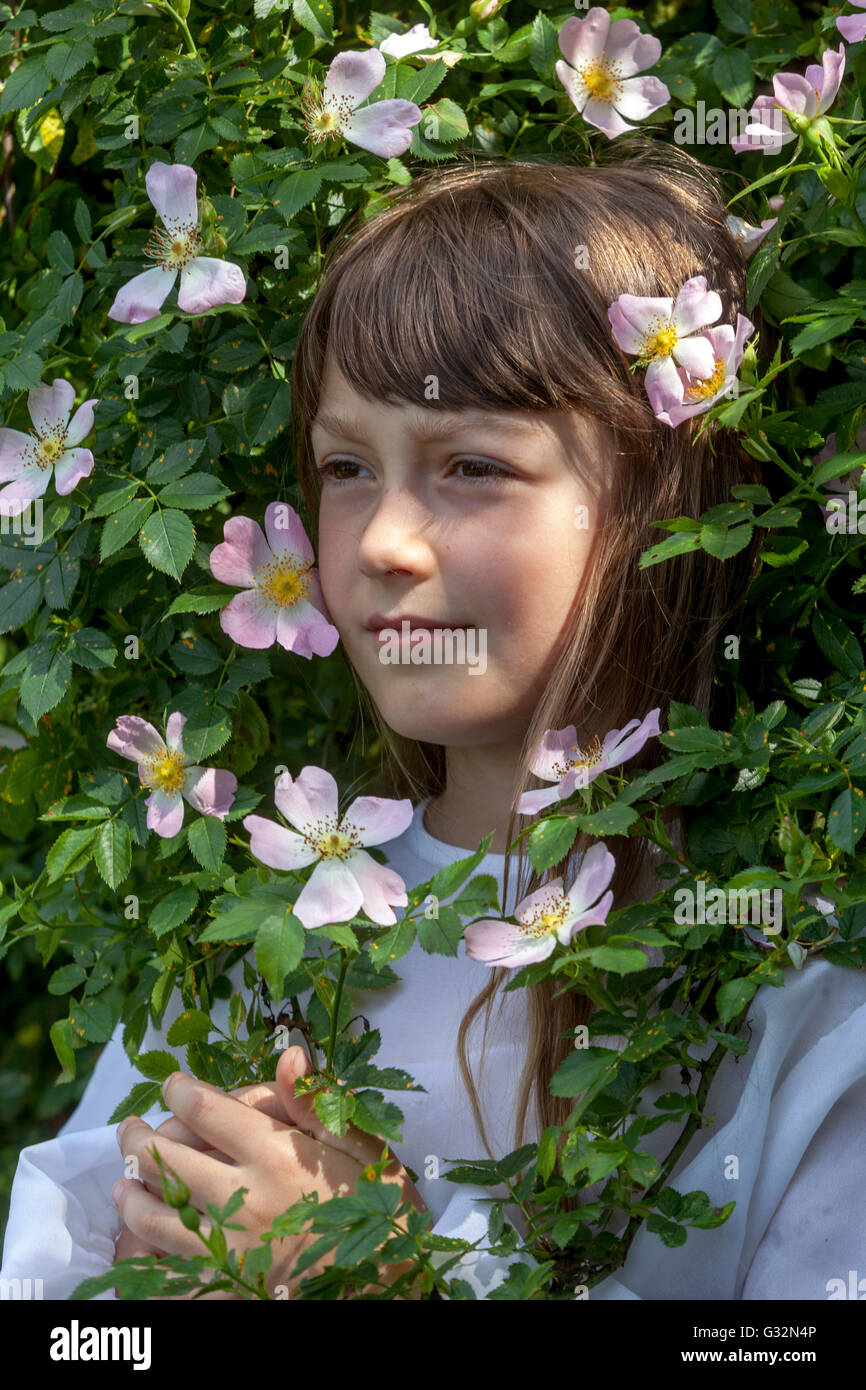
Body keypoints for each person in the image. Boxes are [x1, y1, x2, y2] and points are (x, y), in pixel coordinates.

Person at [3, 149, 864, 1301]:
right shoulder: (243, 954)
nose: (379, 544)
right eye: (346, 466)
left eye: (471, 464)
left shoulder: (793, 993)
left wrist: (394, 1276)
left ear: (668, 494)